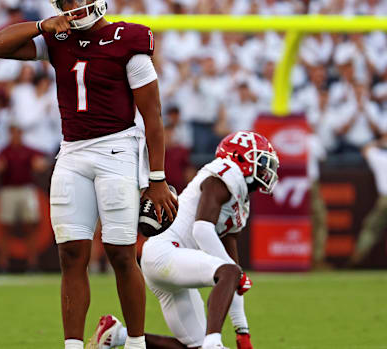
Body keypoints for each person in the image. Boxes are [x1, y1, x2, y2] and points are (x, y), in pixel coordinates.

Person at [0, 0, 177, 349]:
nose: (75, 7)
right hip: (72, 152)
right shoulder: (57, 38)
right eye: (66, 2)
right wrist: (42, 24)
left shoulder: (129, 39)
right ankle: (73, 344)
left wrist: (156, 179)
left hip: (117, 149)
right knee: (71, 254)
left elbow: (153, 117)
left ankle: (137, 342)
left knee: (122, 255)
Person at [88, 131, 279, 349]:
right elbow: (202, 230)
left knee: (196, 344)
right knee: (230, 273)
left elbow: (232, 271)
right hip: (166, 252)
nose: (267, 169)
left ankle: (116, 334)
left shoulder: (240, 201)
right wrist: (234, 273)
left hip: (167, 261)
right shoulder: (225, 173)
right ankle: (213, 342)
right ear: (241, 158)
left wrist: (242, 331)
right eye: (262, 160)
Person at [0, 124, 49, 271]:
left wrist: (40, 164)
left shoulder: (28, 150)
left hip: (26, 190)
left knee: (30, 226)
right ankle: (3, 264)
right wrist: (0, 167)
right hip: (8, 190)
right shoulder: (4, 151)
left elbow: (43, 161)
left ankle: (32, 264)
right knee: (5, 227)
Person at [350, 136, 387, 266]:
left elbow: (366, 150)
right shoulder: (380, 157)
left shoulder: (379, 157)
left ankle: (357, 259)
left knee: (371, 229)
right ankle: (357, 258)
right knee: (371, 228)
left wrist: (381, 142)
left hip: (384, 200)